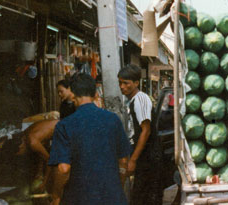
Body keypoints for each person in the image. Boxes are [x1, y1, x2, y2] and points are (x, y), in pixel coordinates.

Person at [48, 73, 130, 205]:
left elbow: (63, 169)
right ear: (95, 94)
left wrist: (56, 195)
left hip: (78, 198)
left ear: (73, 94)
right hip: (113, 197)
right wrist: (116, 188)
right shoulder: (113, 120)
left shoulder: (64, 125)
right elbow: (124, 161)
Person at [118, 64, 160, 204]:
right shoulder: (132, 101)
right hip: (143, 157)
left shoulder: (140, 99)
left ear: (136, 83)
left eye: (126, 83)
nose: (122, 87)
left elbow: (146, 130)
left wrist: (133, 160)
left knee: (143, 197)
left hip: (148, 158)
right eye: (120, 83)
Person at [17, 119, 59, 192]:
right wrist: (39, 172)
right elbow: (41, 153)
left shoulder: (32, 142)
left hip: (65, 129)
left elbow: (50, 161)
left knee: (58, 168)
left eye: (20, 153)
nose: (23, 154)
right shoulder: (26, 135)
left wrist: (44, 183)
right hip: (59, 126)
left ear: (21, 146)